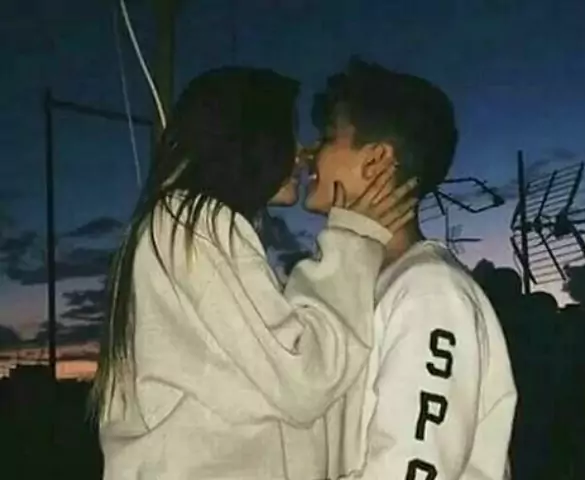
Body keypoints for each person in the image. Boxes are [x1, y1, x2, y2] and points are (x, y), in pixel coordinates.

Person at [90, 66, 418, 480]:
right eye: (287, 134)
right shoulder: (193, 224)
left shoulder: (185, 228)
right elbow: (304, 375)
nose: (301, 154)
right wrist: (351, 243)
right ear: (248, 140)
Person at [307, 58, 517, 479]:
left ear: (377, 159)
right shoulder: (371, 285)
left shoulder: (429, 290)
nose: (311, 153)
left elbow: (413, 465)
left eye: (328, 137)